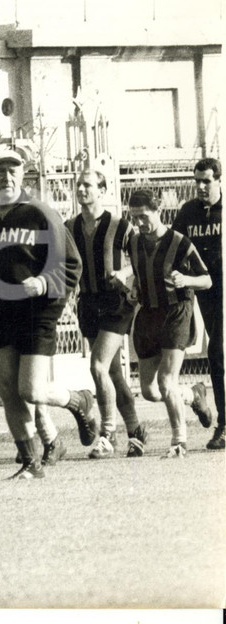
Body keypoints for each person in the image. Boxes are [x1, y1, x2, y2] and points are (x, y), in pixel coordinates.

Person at [0, 148, 96, 480]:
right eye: (0, 170)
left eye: (13, 169)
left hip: (37, 309)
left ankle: (79, 401)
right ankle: (31, 461)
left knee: (30, 390)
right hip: (0, 309)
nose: (7, 175)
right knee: (7, 389)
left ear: (23, 174)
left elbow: (72, 265)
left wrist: (45, 282)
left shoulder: (41, 212)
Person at [116, 188, 213, 457]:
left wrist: (187, 280)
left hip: (175, 312)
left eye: (144, 216)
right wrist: (134, 289)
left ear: (158, 211)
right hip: (148, 315)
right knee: (149, 390)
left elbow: (207, 279)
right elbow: (138, 273)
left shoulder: (181, 243)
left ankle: (179, 442)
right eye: (134, 217)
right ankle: (193, 395)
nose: (139, 223)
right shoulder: (134, 242)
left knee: (167, 381)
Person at [66, 170, 147, 458]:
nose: (81, 189)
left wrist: (122, 273)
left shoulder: (119, 225)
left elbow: (141, 259)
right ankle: (136, 432)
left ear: (102, 189)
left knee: (98, 366)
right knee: (112, 372)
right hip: (88, 303)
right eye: (79, 184)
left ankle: (107, 434)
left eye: (88, 185)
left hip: (116, 303)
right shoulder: (69, 226)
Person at [172, 158, 223, 450]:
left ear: (218, 179)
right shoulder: (188, 212)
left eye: (207, 181)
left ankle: (223, 427)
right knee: (217, 353)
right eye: (197, 181)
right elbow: (174, 246)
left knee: (217, 352)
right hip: (204, 290)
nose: (201, 186)